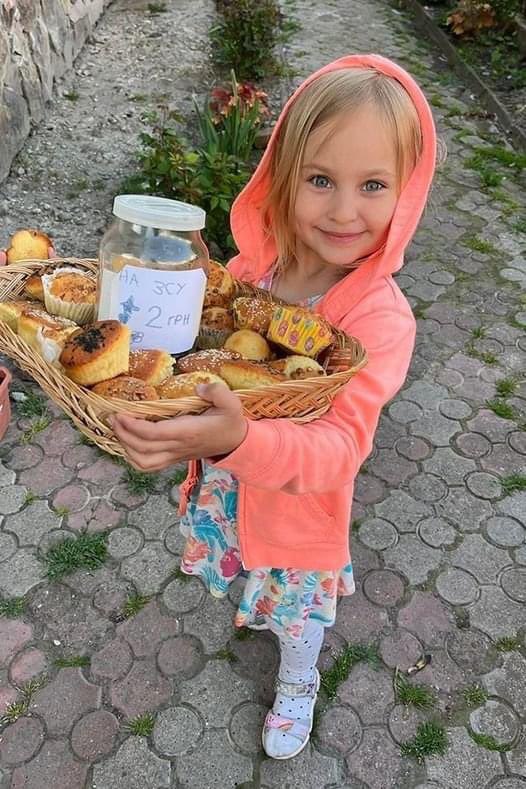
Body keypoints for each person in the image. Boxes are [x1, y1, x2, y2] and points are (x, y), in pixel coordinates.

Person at [112, 53, 437, 760]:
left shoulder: (380, 321)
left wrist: (235, 440)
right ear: (283, 177)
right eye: (320, 179)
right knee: (244, 570)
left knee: (297, 614)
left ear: (405, 194)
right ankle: (258, 606)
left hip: (299, 518)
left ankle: (299, 677)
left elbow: (339, 447)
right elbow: (210, 342)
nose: (344, 210)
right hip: (231, 488)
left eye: (373, 185)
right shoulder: (256, 270)